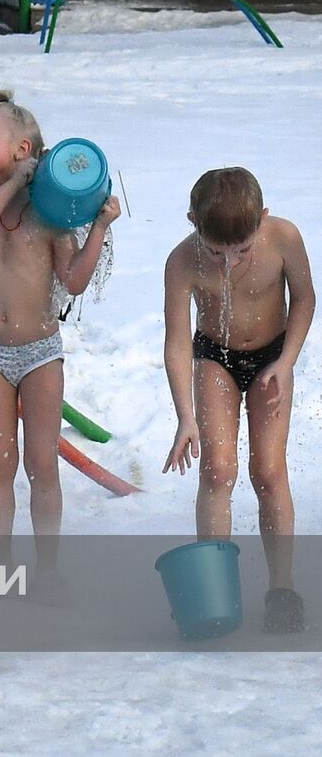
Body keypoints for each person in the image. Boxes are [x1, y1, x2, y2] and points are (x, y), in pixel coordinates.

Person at [0, 90, 118, 594]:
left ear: (25, 149)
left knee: (42, 464)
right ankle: (1, 568)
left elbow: (72, 281)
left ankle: (47, 569)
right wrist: (18, 183)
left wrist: (98, 226)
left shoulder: (51, 218)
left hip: (40, 354)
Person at [162, 167, 314, 632]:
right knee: (218, 470)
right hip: (215, 359)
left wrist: (286, 362)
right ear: (192, 222)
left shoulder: (283, 237)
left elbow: (306, 298)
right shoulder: (183, 261)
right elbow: (177, 342)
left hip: (272, 356)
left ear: (262, 219)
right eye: (216, 252)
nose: (228, 262)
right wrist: (185, 416)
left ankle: (282, 588)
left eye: (241, 251)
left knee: (268, 471)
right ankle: (214, 590)